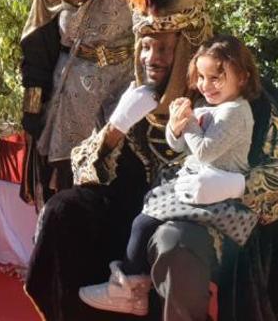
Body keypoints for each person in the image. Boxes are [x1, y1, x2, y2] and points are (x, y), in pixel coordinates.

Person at [25, 0, 278, 321]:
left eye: (163, 49)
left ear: (190, 45)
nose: (150, 59)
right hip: (143, 216)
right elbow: (84, 170)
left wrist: (237, 185)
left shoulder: (248, 99)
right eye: (145, 47)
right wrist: (114, 130)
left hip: (216, 223)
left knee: (174, 244)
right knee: (63, 212)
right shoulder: (136, 91)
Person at [79, 35, 262, 316]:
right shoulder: (211, 105)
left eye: (216, 77)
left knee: (144, 224)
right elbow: (179, 145)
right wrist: (175, 127)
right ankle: (133, 288)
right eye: (201, 76)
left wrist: (188, 123)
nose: (206, 84)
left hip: (216, 196)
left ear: (243, 77)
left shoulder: (235, 112)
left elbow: (202, 151)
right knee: (143, 219)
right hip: (193, 186)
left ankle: (126, 287)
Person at [20, 0, 133, 208]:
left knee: (116, 180)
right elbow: (37, 48)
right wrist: (32, 109)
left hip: (121, 91)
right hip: (68, 95)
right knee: (65, 184)